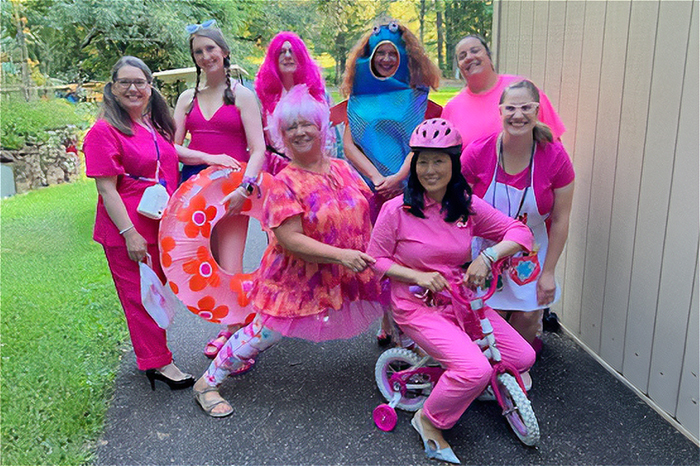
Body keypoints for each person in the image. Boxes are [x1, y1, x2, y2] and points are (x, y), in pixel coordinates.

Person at [192, 85, 383, 417]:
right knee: (262, 335)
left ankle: (415, 366)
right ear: (281, 136)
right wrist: (341, 256)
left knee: (397, 297)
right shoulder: (285, 182)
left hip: (344, 270)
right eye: (290, 127)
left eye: (306, 123)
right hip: (295, 279)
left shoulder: (342, 168)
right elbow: (290, 239)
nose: (299, 132)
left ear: (321, 126)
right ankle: (207, 383)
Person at [367, 118, 536, 463]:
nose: (430, 169)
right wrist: (416, 276)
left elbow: (520, 234)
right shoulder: (395, 209)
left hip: (462, 300)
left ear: (453, 164)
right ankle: (427, 420)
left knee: (522, 358)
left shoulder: (464, 204)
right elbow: (375, 260)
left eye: (439, 160)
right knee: (475, 369)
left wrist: (488, 256)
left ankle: (458, 376)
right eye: (423, 161)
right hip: (416, 305)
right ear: (413, 165)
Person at [83, 56, 194, 390]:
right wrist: (130, 234)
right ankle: (158, 363)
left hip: (158, 225)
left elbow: (172, 156)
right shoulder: (103, 131)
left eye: (140, 82)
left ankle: (153, 354)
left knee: (156, 293)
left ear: (150, 87)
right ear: (113, 89)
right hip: (127, 230)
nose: (133, 88)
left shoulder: (151, 125)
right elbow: (106, 188)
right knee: (139, 297)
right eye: (125, 82)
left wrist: (208, 157)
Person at [338, 20, 442, 345]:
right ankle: (388, 322)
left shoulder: (415, 95)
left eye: (391, 52)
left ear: (403, 55)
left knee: (409, 256)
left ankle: (411, 327)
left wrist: (398, 178)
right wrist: (376, 178)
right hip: (373, 190)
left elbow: (421, 140)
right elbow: (349, 145)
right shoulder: (358, 96)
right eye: (379, 53)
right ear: (369, 57)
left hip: (411, 187)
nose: (385, 59)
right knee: (380, 257)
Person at [173, 21, 266, 362]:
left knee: (229, 267)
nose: (205, 56)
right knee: (207, 268)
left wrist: (246, 187)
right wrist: (207, 156)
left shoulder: (242, 95)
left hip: (232, 192)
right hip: (194, 193)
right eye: (198, 51)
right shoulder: (186, 99)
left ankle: (237, 340)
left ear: (224, 52)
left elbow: (258, 149)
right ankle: (235, 327)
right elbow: (172, 148)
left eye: (210, 48)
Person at [461, 80, 575, 347]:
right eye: (510, 108)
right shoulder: (478, 152)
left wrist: (549, 273)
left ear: (537, 111)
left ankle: (517, 363)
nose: (518, 115)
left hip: (532, 250)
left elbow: (560, 219)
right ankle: (489, 369)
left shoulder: (555, 156)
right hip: (486, 247)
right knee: (491, 315)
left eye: (527, 107)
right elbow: (457, 206)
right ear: (500, 112)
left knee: (527, 315)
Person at [442, 34, 565, 148]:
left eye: (475, 51)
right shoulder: (452, 108)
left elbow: (554, 144)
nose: (469, 57)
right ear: (459, 67)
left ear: (488, 56)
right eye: (462, 56)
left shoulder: (523, 89)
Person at [254, 31, 334, 168]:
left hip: (317, 168)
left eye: (292, 51)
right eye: (281, 52)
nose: (287, 56)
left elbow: (332, 138)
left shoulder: (318, 93)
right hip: (279, 171)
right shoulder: (262, 97)